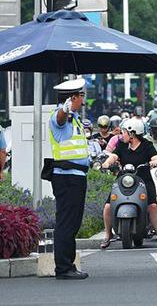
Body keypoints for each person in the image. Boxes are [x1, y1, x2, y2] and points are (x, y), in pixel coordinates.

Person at [100, 118, 157, 249]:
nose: (122, 135)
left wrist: (155, 161)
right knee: (108, 207)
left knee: (153, 206)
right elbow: (114, 156)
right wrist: (107, 163)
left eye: (124, 132)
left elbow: (155, 157)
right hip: (124, 180)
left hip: (143, 180)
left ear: (132, 133)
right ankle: (108, 235)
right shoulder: (121, 145)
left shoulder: (146, 145)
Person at [48, 79, 91, 279]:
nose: (83, 99)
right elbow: (59, 119)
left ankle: (69, 265)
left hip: (76, 177)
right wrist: (64, 110)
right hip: (67, 178)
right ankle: (63, 268)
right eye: (80, 96)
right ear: (72, 98)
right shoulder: (61, 116)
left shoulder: (75, 119)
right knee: (66, 222)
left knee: (72, 223)